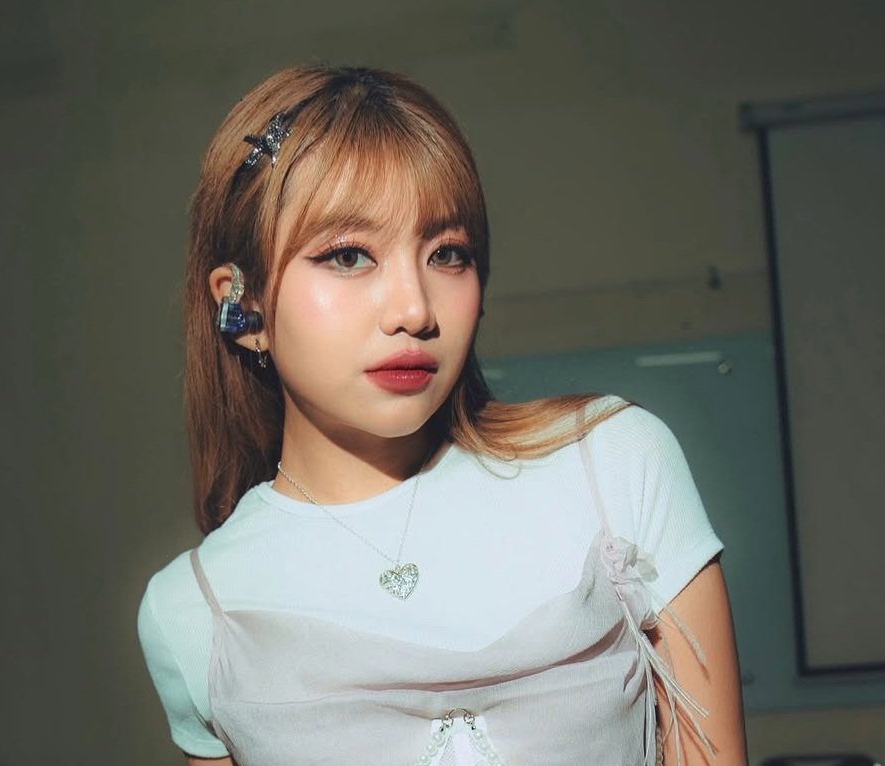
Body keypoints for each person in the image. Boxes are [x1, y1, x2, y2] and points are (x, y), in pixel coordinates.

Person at [138, 65, 746, 766]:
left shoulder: (613, 466)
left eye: (447, 254)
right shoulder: (195, 611)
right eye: (348, 256)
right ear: (241, 305)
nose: (414, 309)